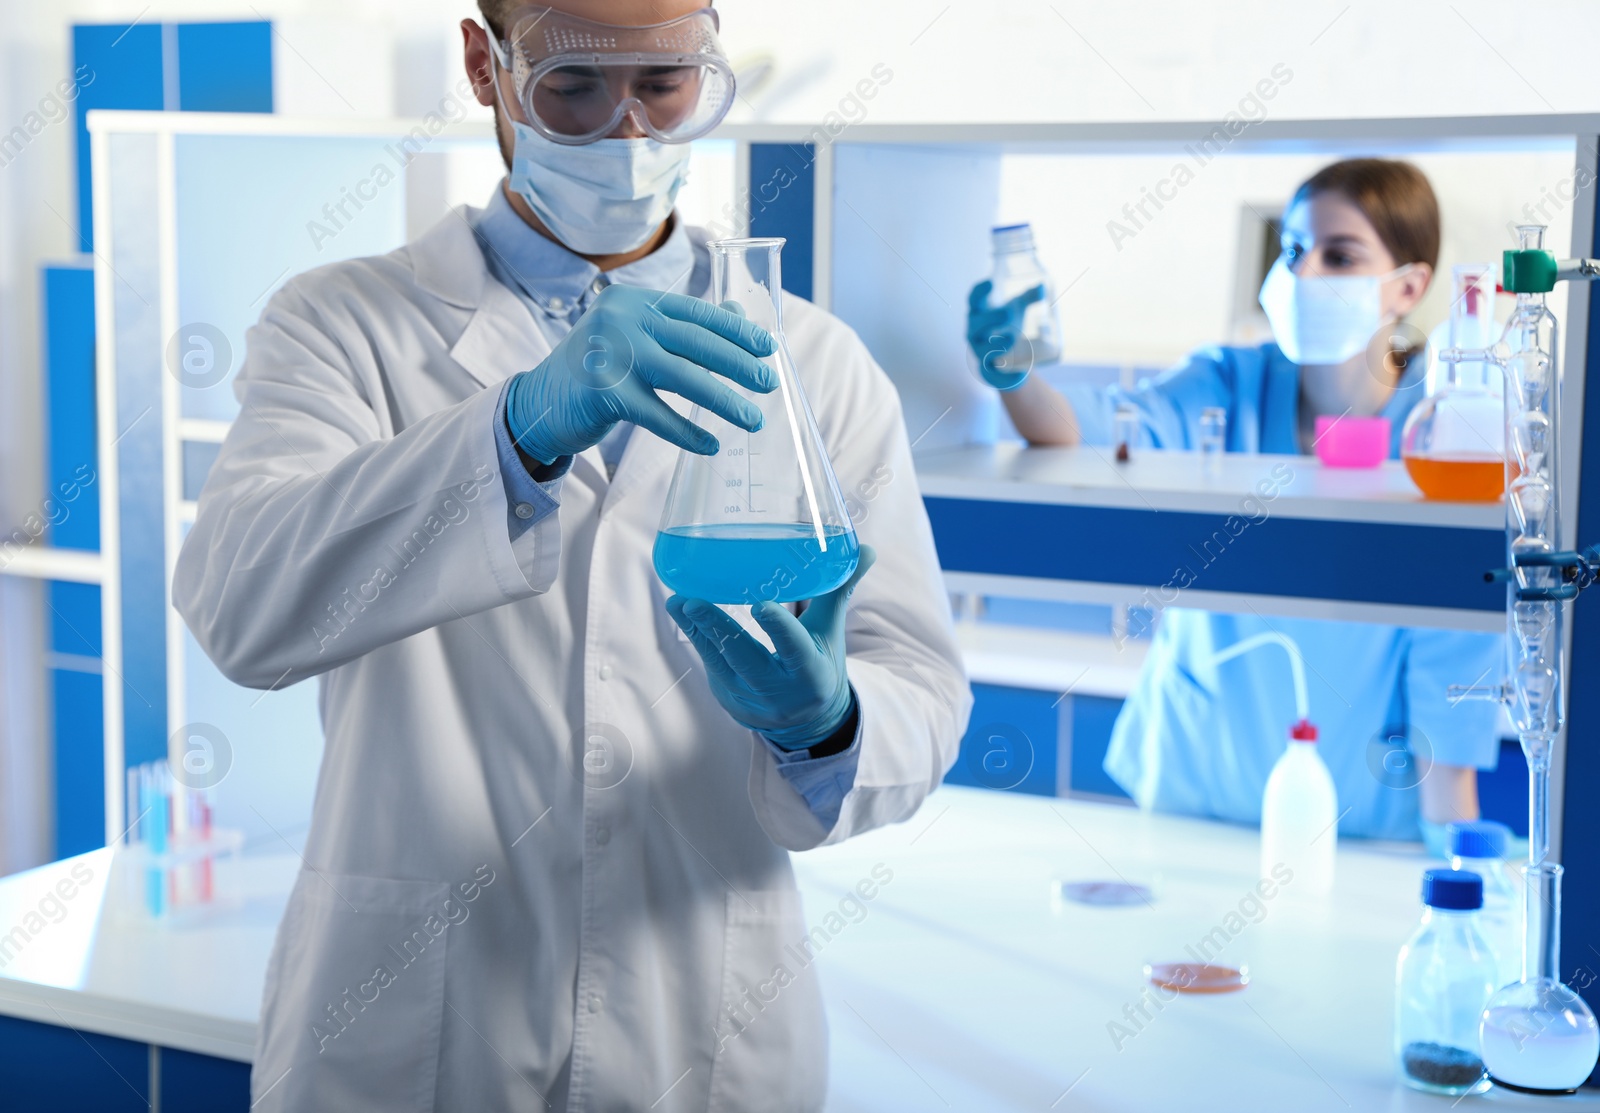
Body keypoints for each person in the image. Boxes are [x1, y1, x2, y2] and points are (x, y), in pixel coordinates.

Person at [173, 3, 970, 1109]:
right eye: (576, 85)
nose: (625, 131)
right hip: (410, 1035)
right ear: (483, 64)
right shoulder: (340, 326)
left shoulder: (819, 364)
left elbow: (921, 686)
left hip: (707, 1021)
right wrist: (516, 426)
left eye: (664, 83)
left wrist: (824, 719)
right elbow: (239, 604)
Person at [966, 158, 1504, 848]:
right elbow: (1076, 432)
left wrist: (1457, 867)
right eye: (1294, 249)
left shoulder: (1447, 430)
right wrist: (1013, 370)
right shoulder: (1227, 385)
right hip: (1192, 798)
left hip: (1358, 831)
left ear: (1409, 286)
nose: (1304, 274)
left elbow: (1453, 661)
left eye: (1339, 255)